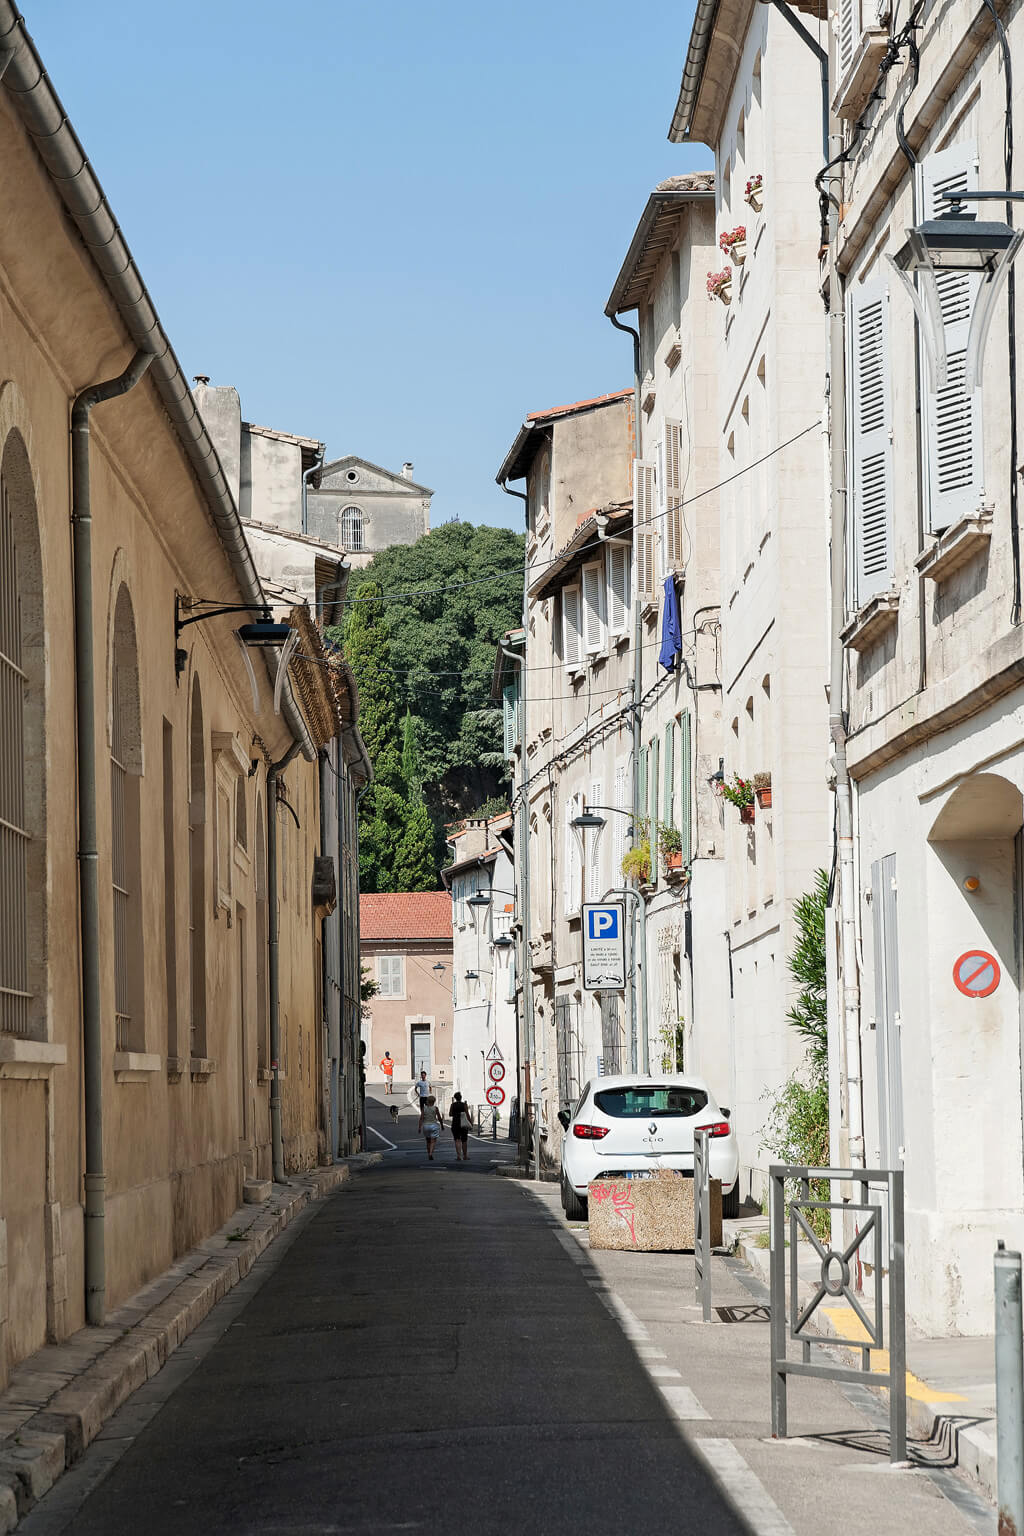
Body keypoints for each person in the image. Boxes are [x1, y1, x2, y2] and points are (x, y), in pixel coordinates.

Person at [418, 1094, 444, 1161]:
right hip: (434, 1126)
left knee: (428, 1141)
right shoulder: (435, 1108)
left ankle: (428, 1153)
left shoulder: (424, 1108)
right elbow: (439, 1118)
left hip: (426, 1126)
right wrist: (442, 1125)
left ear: (427, 1101)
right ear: (434, 1102)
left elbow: (421, 1118)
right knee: (433, 1141)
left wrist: (419, 1127)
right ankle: (430, 1153)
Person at [449, 1092, 473, 1161]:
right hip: (464, 1124)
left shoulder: (452, 1105)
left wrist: (456, 1113)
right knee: (464, 1140)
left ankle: (459, 1156)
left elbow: (450, 1114)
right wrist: (470, 1123)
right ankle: (465, 1156)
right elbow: (467, 1114)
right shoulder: (464, 1105)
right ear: (461, 1097)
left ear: (455, 1098)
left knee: (457, 1140)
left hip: (455, 1124)